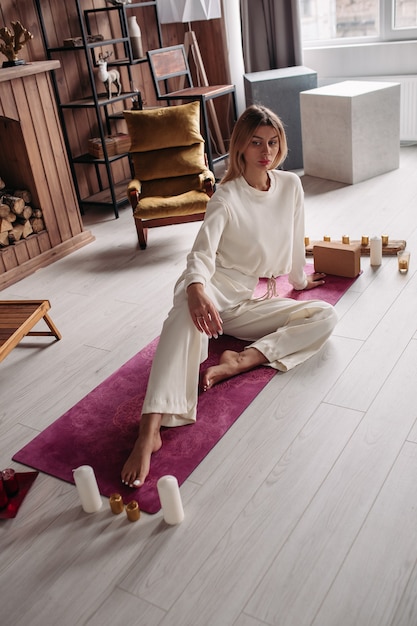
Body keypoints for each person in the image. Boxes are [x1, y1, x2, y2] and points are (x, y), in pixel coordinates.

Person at [121, 104, 338, 488]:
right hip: (212, 289)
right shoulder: (226, 197)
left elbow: (294, 237)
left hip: (247, 299)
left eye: (272, 142)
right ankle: (149, 429)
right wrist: (195, 290)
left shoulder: (290, 185)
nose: (266, 151)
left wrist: (299, 282)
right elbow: (201, 254)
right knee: (180, 321)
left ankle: (239, 361)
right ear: (240, 146)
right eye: (256, 142)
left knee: (324, 316)